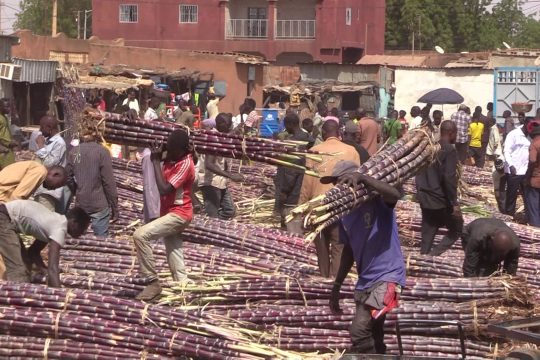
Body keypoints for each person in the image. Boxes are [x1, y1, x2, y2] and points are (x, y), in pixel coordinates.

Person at [328, 161, 405, 354]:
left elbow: (395, 194)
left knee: (359, 330)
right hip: (365, 282)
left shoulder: (377, 202)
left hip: (388, 278)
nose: (335, 188)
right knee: (375, 333)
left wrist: (364, 178)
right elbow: (348, 250)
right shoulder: (344, 214)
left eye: (339, 182)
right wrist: (337, 285)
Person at [132, 129, 196, 300]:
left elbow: (163, 189)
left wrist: (155, 161)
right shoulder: (174, 157)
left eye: (173, 148)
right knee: (174, 253)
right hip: (168, 212)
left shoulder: (185, 164)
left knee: (140, 235)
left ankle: (152, 282)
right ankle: (184, 292)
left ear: (181, 150)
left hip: (179, 214)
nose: (170, 151)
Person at [299, 121, 360, 278]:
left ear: (323, 134)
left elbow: (307, 183)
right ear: (338, 132)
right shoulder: (351, 151)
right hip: (341, 206)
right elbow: (357, 181)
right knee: (339, 245)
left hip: (317, 207)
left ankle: (324, 278)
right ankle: (335, 281)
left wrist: (302, 207)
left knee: (321, 246)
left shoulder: (314, 151)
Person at [0, 199, 90, 285]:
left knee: (25, 263)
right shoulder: (59, 229)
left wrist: (43, 269)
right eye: (83, 228)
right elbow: (53, 269)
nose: (83, 233)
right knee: (18, 269)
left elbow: (33, 252)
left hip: (7, 217)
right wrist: (59, 295)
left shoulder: (55, 223)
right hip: (4, 217)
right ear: (74, 223)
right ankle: (17, 297)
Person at [415, 121, 463, 256]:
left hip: (425, 196)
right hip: (439, 199)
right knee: (457, 229)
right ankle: (433, 255)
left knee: (429, 229)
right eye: (456, 133)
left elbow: (418, 172)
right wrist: (454, 203)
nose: (456, 137)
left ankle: (423, 258)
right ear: (451, 133)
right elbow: (449, 178)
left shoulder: (429, 147)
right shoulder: (448, 149)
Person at [66, 136, 118, 237]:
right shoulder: (102, 152)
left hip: (81, 203)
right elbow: (108, 182)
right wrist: (114, 205)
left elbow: (67, 176)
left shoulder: (74, 152)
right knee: (101, 240)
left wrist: (76, 190)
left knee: (80, 238)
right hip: (99, 204)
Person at [200, 113, 244, 220]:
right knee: (212, 216)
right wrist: (231, 175)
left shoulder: (220, 136)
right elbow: (209, 164)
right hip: (211, 183)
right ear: (220, 124)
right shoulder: (213, 138)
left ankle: (211, 224)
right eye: (228, 124)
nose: (229, 127)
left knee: (229, 210)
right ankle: (210, 227)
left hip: (220, 182)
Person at [274, 113, 310, 234]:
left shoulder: (294, 142)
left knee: (290, 222)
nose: (285, 128)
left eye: (286, 125)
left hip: (292, 192)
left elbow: (291, 171)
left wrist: (284, 190)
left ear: (290, 124)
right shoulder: (306, 137)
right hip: (300, 187)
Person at [32, 115, 68, 212]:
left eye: (42, 127)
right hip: (41, 188)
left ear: (49, 127)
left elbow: (49, 164)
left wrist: (40, 146)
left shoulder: (59, 143)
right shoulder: (48, 141)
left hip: (49, 190)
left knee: (45, 217)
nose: (40, 130)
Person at [0, 161, 67, 202]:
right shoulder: (40, 172)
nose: (54, 189)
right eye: (58, 185)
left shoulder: (37, 168)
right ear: (55, 175)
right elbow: (17, 197)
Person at [503, 116, 530, 216]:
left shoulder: (532, 136)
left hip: (526, 170)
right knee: (512, 195)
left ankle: (528, 216)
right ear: (526, 124)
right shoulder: (514, 134)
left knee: (527, 195)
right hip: (514, 170)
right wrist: (511, 165)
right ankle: (509, 215)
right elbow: (506, 150)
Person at [486, 117, 506, 212]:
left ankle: (501, 201)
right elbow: (494, 144)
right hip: (498, 156)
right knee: (498, 186)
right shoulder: (494, 130)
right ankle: (500, 203)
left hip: (498, 157)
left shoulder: (495, 129)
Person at [525, 121, 540, 227]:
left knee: (533, 207)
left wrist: (527, 175)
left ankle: (536, 231)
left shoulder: (534, 144)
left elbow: (532, 160)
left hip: (535, 180)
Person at [0, 98, 15, 170]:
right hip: (3, 151)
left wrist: (11, 141)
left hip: (8, 150)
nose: (9, 109)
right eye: (7, 106)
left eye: (10, 106)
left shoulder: (4, 117)